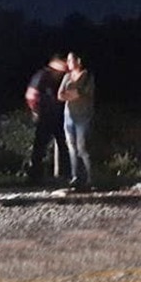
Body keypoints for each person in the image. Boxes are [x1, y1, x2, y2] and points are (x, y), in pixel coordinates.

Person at [25, 54, 68, 185]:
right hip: (45, 116)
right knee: (40, 146)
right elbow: (31, 95)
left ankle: (65, 175)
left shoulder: (61, 77)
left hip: (59, 115)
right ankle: (35, 176)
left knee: (63, 145)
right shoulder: (42, 75)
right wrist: (36, 111)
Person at [57, 52, 94, 190]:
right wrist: (73, 94)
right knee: (71, 146)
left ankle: (89, 177)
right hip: (69, 115)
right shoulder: (67, 77)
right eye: (67, 60)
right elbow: (60, 95)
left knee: (82, 147)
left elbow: (82, 93)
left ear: (78, 60)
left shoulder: (87, 76)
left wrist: (71, 94)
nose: (68, 62)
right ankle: (75, 176)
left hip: (82, 116)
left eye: (70, 59)